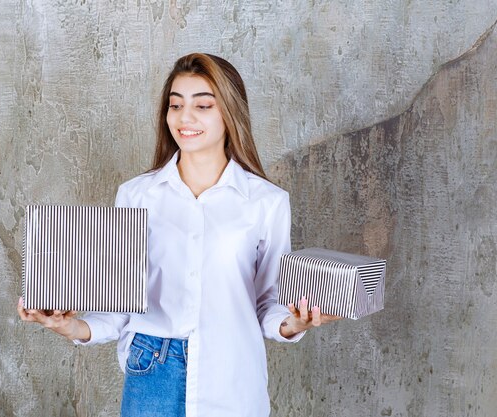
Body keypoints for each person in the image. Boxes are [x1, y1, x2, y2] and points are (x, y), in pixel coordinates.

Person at [17, 52, 340, 417]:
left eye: (202, 105)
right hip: (151, 370)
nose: (185, 118)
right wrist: (69, 325)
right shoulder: (135, 195)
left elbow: (268, 303)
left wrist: (295, 322)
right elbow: (121, 307)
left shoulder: (267, 202)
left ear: (229, 114)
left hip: (232, 375)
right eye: (175, 105)